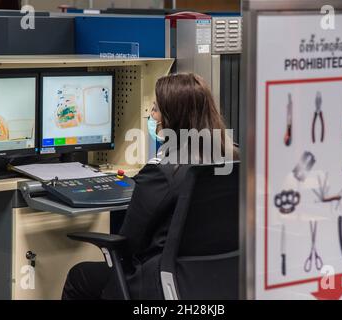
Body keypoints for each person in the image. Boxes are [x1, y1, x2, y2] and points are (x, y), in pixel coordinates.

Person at [62, 73, 238, 300]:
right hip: (223, 279)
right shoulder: (233, 157)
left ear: (172, 117)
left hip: (163, 281)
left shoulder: (163, 171)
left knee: (80, 276)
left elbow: (129, 242)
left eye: (156, 109)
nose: (153, 116)